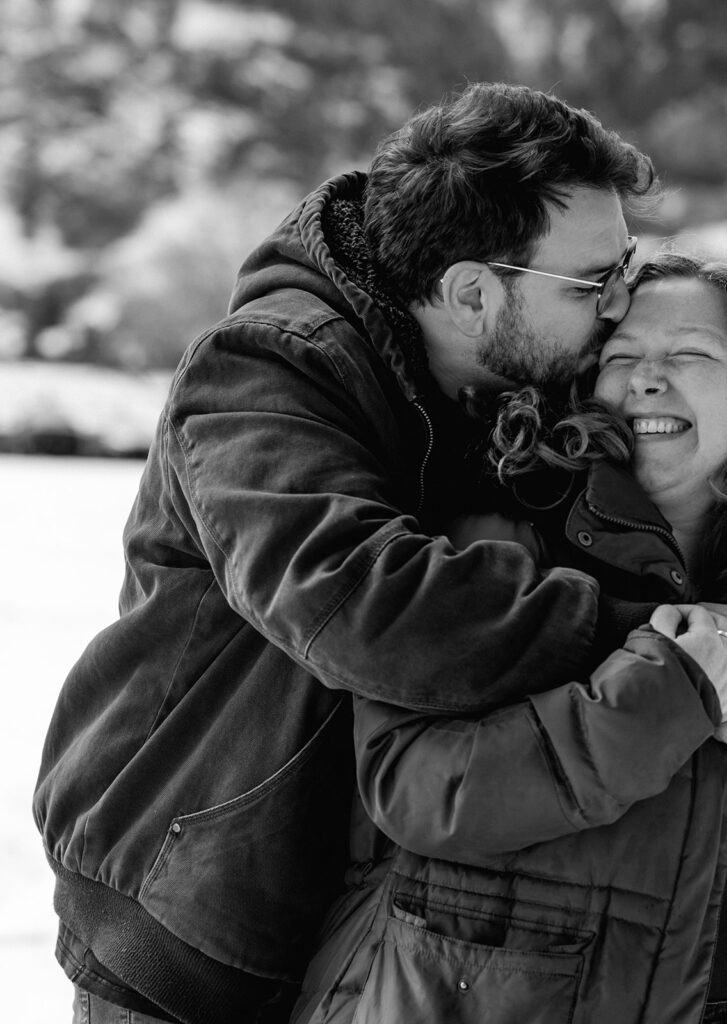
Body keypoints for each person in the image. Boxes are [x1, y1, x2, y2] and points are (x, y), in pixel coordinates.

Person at [32, 83, 663, 1024]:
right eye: (591, 283)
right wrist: (653, 637)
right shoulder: (262, 369)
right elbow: (364, 606)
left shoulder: (511, 386)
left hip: (369, 934)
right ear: (470, 291)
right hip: (197, 924)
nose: (620, 306)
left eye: (629, 270)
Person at [289, 253, 727, 1024]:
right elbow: (417, 794)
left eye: (688, 354)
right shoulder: (500, 540)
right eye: (621, 358)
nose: (646, 378)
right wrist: (670, 689)